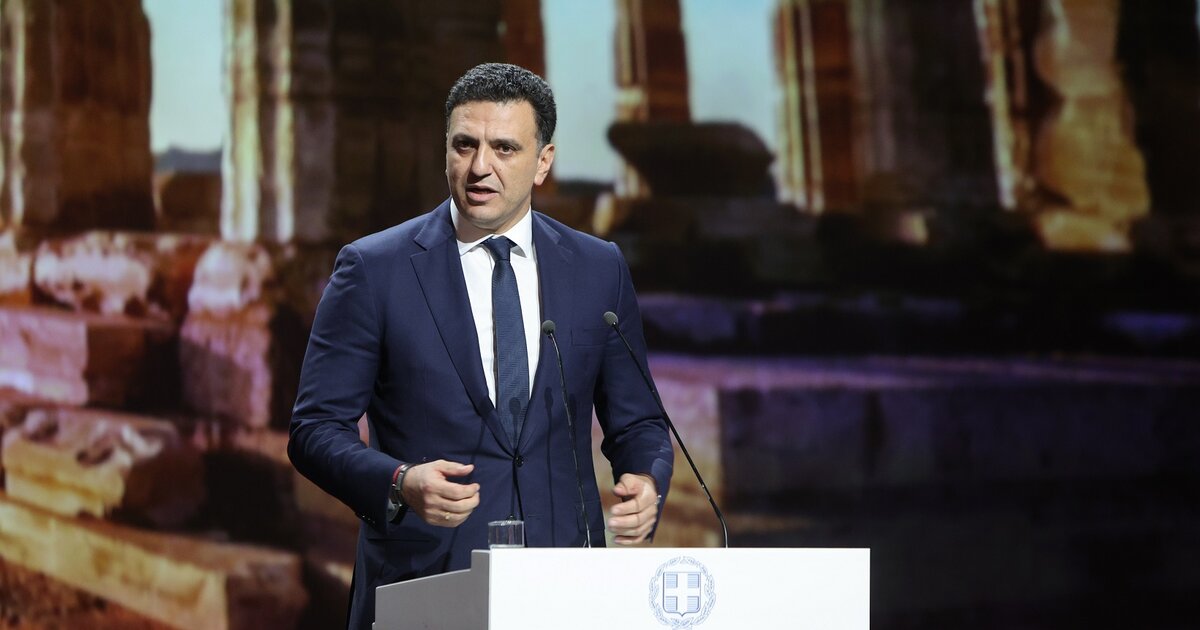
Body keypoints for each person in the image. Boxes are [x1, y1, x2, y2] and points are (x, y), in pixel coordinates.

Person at [288, 62, 674, 629]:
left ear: (543, 162)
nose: (479, 167)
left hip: (564, 587)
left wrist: (646, 479)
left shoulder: (598, 269)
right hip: (426, 584)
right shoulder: (373, 270)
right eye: (464, 145)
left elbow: (638, 421)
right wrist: (399, 482)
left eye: (505, 148)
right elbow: (314, 429)